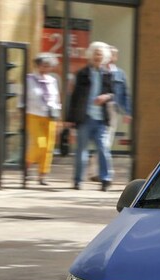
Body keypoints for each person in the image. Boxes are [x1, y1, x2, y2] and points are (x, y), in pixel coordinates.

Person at [66, 41, 115, 191]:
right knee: (81, 151)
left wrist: (106, 97)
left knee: (103, 149)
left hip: (101, 120)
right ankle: (78, 180)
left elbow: (113, 93)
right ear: (90, 55)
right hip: (85, 118)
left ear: (104, 57)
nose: (97, 57)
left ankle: (106, 179)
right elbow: (74, 97)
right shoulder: (82, 73)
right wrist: (70, 120)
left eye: (100, 54)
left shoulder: (107, 74)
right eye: (95, 54)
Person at [25, 53, 61, 186]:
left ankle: (43, 174)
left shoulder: (52, 80)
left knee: (49, 146)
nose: (45, 68)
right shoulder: (29, 79)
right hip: (34, 114)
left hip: (50, 116)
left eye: (48, 66)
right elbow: (22, 97)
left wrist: (58, 115)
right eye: (43, 65)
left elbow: (56, 99)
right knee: (40, 143)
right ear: (37, 65)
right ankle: (27, 164)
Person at [105, 46, 132, 151]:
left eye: (113, 55)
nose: (110, 57)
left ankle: (101, 157)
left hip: (113, 108)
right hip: (99, 108)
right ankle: (101, 157)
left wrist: (128, 112)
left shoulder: (120, 74)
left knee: (109, 134)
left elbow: (125, 93)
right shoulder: (99, 71)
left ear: (116, 57)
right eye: (109, 54)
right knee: (102, 135)